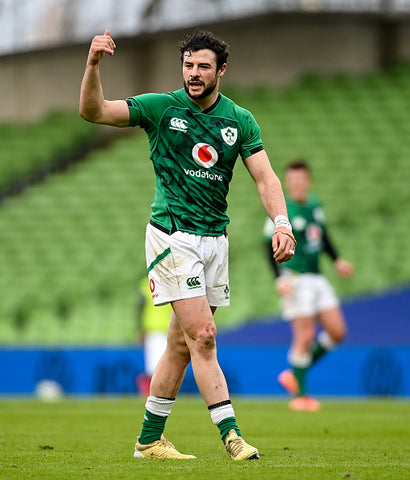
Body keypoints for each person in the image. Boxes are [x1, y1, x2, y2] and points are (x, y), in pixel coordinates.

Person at [80, 29, 296, 460]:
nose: (193, 74)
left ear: (222, 71)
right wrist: (92, 65)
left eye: (203, 67)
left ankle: (148, 440)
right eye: (188, 65)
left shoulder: (240, 119)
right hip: (171, 233)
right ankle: (232, 436)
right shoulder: (161, 108)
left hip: (215, 239)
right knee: (204, 336)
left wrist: (282, 223)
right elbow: (95, 111)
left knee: (182, 345)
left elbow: (266, 177)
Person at [263, 160, 355, 411]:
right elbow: (266, 244)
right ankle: (300, 397)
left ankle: (294, 374)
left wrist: (337, 260)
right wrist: (280, 278)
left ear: (308, 180)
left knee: (337, 332)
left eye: (301, 179)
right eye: (292, 180)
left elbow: (322, 236)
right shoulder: (283, 211)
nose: (297, 184)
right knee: (304, 334)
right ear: (287, 183)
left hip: (317, 276)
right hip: (295, 276)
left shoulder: (315, 205)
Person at [135, 277, 170, 396]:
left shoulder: (173, 280)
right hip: (153, 329)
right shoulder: (146, 283)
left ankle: (159, 393)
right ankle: (150, 391)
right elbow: (139, 308)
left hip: (171, 329)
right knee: (155, 364)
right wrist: (140, 329)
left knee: (167, 365)